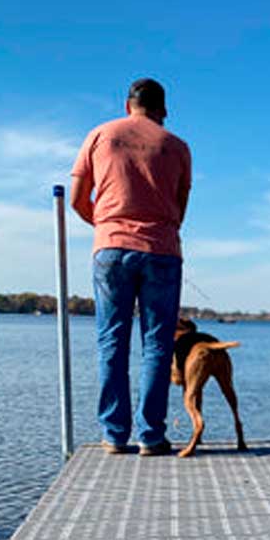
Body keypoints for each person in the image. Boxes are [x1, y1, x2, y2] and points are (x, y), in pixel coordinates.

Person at [70, 78, 191, 456]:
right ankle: (151, 436)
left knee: (111, 340)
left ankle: (114, 434)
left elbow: (76, 198)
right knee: (157, 344)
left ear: (127, 106)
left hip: (111, 248)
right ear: (164, 111)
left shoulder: (100, 135)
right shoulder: (178, 147)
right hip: (162, 249)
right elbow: (180, 209)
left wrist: (107, 227)